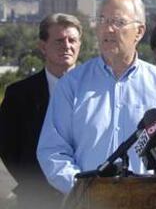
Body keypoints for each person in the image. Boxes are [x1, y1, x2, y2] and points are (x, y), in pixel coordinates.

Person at [36, 0, 156, 194]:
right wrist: (85, 190)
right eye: (102, 20)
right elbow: (52, 151)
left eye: (118, 22)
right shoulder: (71, 85)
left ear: (139, 32)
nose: (108, 28)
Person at [0, 13, 82, 209]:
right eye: (59, 41)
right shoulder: (18, 95)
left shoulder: (97, 91)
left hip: (88, 196)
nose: (67, 46)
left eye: (72, 40)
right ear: (43, 47)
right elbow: (7, 147)